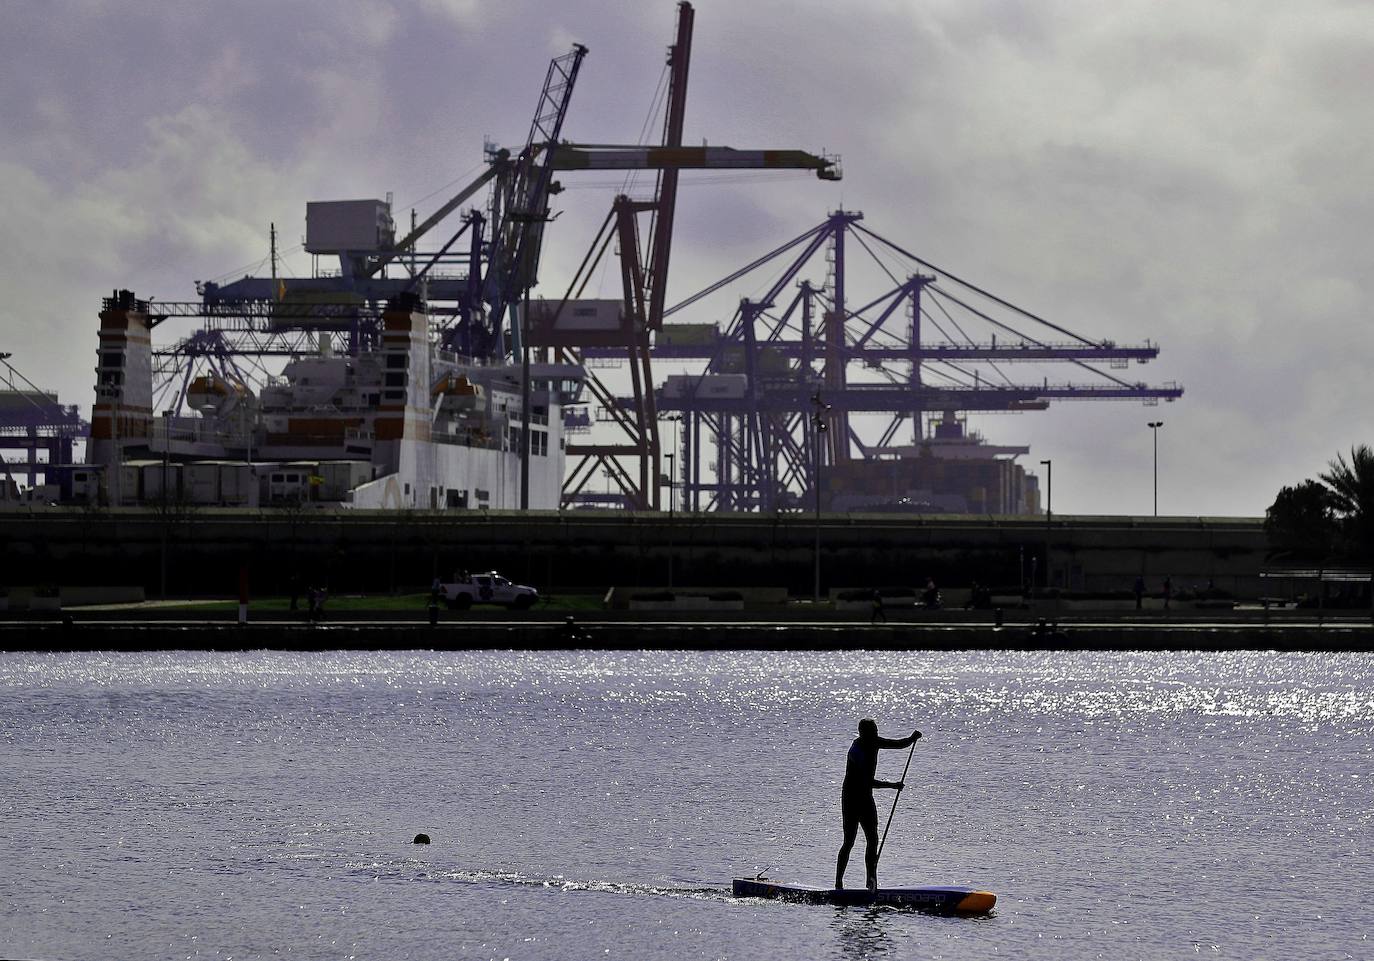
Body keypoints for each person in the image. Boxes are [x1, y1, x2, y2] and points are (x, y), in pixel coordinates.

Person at [835, 718, 921, 891]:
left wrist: (912, 739)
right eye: (872, 731)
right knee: (849, 841)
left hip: (866, 798)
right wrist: (893, 785)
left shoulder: (874, 741)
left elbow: (897, 744)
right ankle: (838, 883)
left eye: (876, 730)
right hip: (851, 799)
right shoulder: (856, 751)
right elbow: (866, 781)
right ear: (862, 733)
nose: (875, 734)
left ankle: (871, 882)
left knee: (873, 840)